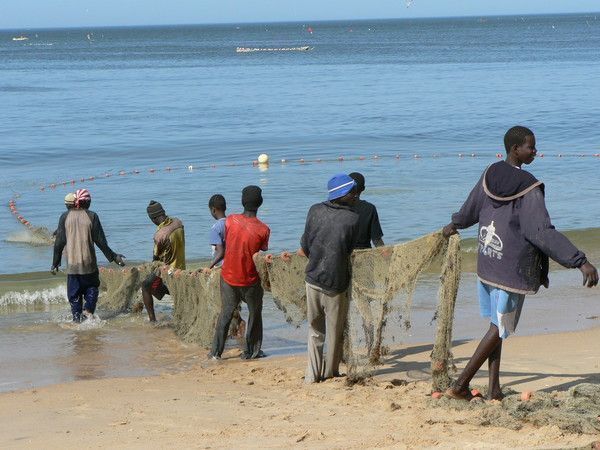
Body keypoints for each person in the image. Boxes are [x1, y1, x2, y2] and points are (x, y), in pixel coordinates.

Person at [443, 126, 598, 400]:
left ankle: (493, 389)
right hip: (512, 269)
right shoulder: (530, 187)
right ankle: (460, 385)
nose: (535, 151)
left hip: (487, 262)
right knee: (499, 328)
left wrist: (454, 224)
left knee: (496, 325)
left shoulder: (490, 173)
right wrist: (579, 261)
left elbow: (470, 208)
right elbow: (540, 232)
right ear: (516, 149)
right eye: (531, 147)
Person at [300, 174, 359, 383]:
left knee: (315, 330)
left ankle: (311, 375)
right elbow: (349, 249)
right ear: (344, 194)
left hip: (312, 278)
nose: (354, 196)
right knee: (334, 331)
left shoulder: (314, 210)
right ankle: (330, 373)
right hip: (336, 284)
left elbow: (305, 244)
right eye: (352, 192)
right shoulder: (352, 218)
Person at [209, 186, 270, 360]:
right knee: (255, 313)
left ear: (243, 202)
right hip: (250, 280)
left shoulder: (230, 221)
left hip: (228, 277)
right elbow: (260, 252)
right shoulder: (264, 230)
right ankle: (252, 351)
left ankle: (215, 353)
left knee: (226, 314)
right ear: (260, 203)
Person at [51, 188, 125, 322]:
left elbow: (59, 242)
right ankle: (88, 311)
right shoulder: (92, 216)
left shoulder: (64, 216)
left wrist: (55, 262)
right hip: (89, 265)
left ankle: (76, 320)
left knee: (74, 296)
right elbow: (101, 242)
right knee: (92, 289)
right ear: (87, 202)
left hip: (72, 266)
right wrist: (114, 257)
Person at [204, 194, 246, 338]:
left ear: (213, 210)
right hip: (235, 267)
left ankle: (235, 326)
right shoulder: (232, 222)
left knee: (222, 302)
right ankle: (237, 328)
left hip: (222, 270)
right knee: (232, 300)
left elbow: (220, 252)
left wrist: (209, 266)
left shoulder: (216, 227)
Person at [142, 200, 185, 322]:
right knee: (157, 286)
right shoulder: (178, 224)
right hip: (181, 268)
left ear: (153, 218)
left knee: (145, 285)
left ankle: (152, 320)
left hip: (168, 271)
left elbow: (156, 259)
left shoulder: (159, 235)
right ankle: (175, 294)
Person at [348, 172, 384, 248]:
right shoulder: (369, 208)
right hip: (364, 254)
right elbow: (377, 240)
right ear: (363, 188)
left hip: (341, 254)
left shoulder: (336, 207)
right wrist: (387, 258)